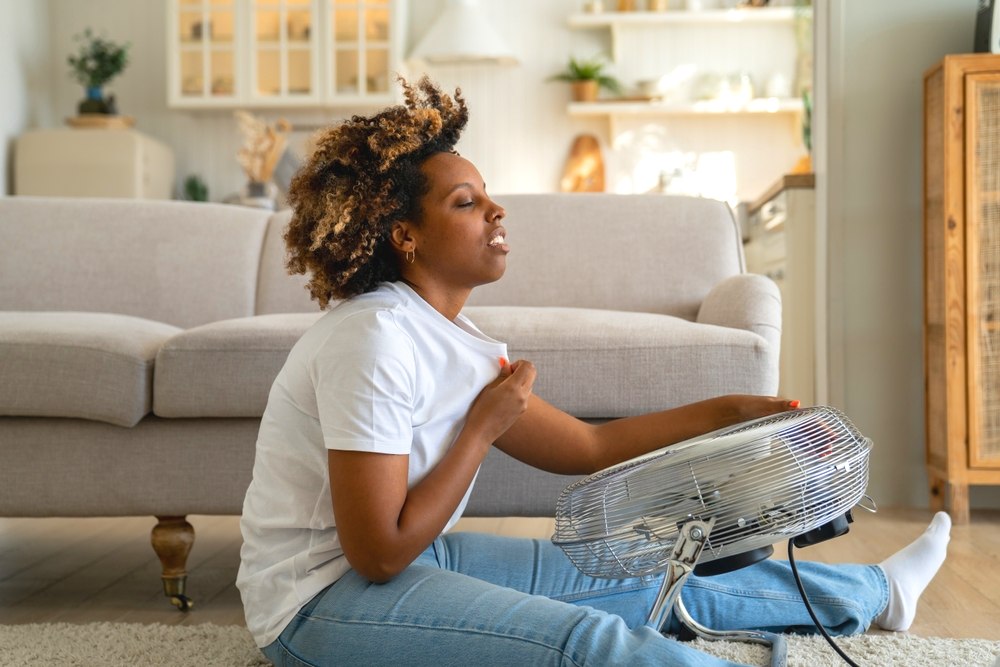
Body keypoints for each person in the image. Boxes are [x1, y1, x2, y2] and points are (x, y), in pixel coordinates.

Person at [237, 76, 951, 666]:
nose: (496, 209)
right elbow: (379, 551)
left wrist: (729, 412)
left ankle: (874, 592)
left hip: (417, 562)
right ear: (405, 235)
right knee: (591, 644)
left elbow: (586, 446)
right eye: (466, 202)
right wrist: (480, 432)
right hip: (319, 603)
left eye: (486, 194)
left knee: (641, 580)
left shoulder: (452, 340)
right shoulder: (373, 339)